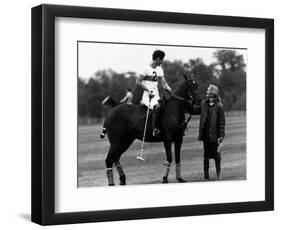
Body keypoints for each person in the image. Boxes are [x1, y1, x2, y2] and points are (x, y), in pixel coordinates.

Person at [192, 84, 225, 179]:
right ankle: (206, 175)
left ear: (214, 94)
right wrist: (191, 103)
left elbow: (222, 124)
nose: (209, 95)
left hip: (215, 136)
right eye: (208, 94)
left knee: (216, 155)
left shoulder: (220, 106)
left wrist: (221, 136)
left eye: (210, 94)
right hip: (205, 135)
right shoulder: (203, 103)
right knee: (206, 155)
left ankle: (218, 174)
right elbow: (194, 110)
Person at [136, 50, 171, 136]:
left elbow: (163, 82)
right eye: (162, 59)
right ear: (158, 59)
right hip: (147, 96)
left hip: (156, 96)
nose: (163, 61)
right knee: (158, 107)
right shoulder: (146, 69)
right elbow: (138, 82)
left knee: (167, 107)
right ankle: (155, 129)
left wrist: (167, 87)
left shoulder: (159, 69)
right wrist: (147, 89)